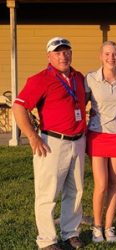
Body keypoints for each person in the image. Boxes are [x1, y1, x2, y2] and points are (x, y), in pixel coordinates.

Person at [12, 37, 86, 250]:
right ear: (49, 56)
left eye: (66, 51)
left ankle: (70, 233)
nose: (63, 56)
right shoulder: (40, 79)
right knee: (47, 193)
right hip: (52, 143)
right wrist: (32, 136)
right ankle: (47, 240)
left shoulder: (78, 77)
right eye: (58, 52)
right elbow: (18, 107)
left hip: (78, 141)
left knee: (76, 190)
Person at [85, 41, 116, 243]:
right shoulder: (91, 79)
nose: (111, 58)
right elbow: (79, 102)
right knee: (101, 184)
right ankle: (97, 226)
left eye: (115, 54)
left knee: (114, 183)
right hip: (98, 134)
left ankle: (109, 226)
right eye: (107, 54)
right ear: (100, 56)